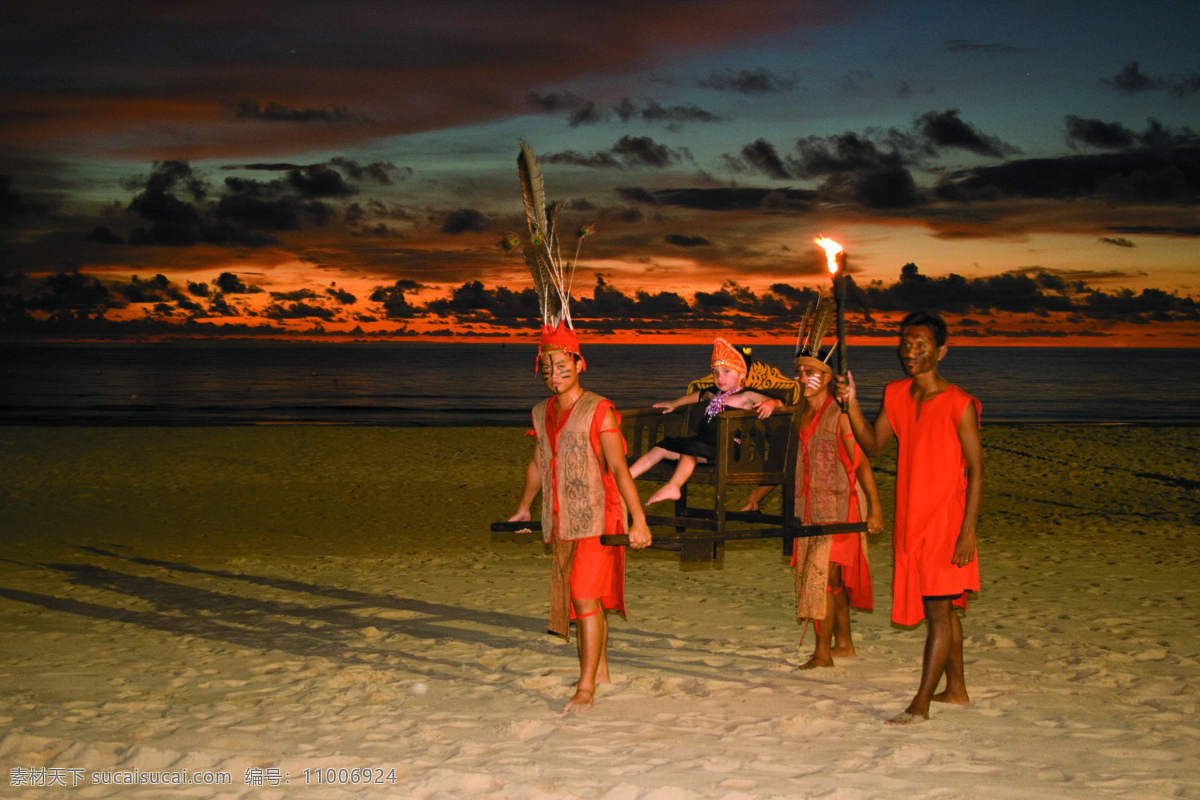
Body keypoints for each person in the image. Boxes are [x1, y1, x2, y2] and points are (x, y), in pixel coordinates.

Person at [837, 311, 984, 725]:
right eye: (905, 343)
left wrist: (966, 531)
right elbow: (874, 443)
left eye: (921, 344)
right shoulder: (896, 393)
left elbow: (977, 471)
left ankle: (920, 703)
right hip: (911, 518)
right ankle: (956, 690)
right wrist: (849, 404)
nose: (911, 351)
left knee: (938, 609)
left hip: (946, 520)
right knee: (942, 608)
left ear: (941, 351)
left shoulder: (960, 404)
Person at [508, 323, 652, 713]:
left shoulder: (598, 410)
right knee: (584, 599)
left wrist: (638, 519)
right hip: (561, 520)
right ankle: (600, 670)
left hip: (596, 519)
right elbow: (539, 462)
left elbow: (620, 469)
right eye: (548, 368)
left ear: (579, 363)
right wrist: (524, 506)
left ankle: (586, 687)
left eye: (562, 366)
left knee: (585, 597)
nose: (555, 375)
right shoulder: (540, 412)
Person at [790, 348, 885, 670]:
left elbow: (861, 463)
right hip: (808, 508)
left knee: (819, 578)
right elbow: (791, 461)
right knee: (830, 582)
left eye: (810, 372)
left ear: (828, 378)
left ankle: (822, 654)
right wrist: (757, 495)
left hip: (840, 510)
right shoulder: (799, 411)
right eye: (799, 372)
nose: (802, 378)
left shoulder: (839, 414)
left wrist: (875, 508)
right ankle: (843, 643)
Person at [628, 338, 782, 505]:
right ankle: (624, 479)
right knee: (662, 447)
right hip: (703, 444)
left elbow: (779, 402)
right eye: (715, 373)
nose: (719, 377)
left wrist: (771, 403)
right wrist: (675, 403)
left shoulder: (746, 396)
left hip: (728, 449)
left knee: (691, 451)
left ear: (741, 374)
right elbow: (698, 395)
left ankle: (673, 486)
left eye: (726, 371)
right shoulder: (714, 394)